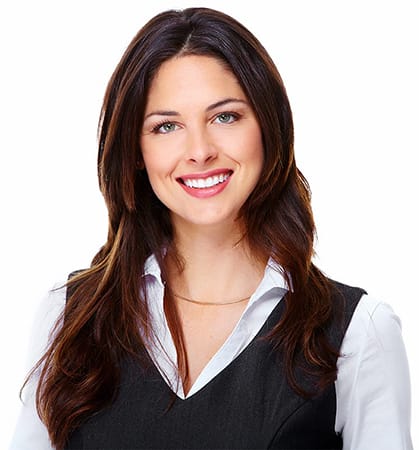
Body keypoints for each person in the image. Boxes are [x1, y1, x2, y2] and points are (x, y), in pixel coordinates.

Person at [10, 7, 412, 450]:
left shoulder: (357, 334)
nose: (199, 150)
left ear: (268, 126)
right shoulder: (69, 318)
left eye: (225, 117)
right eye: (167, 126)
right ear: (135, 151)